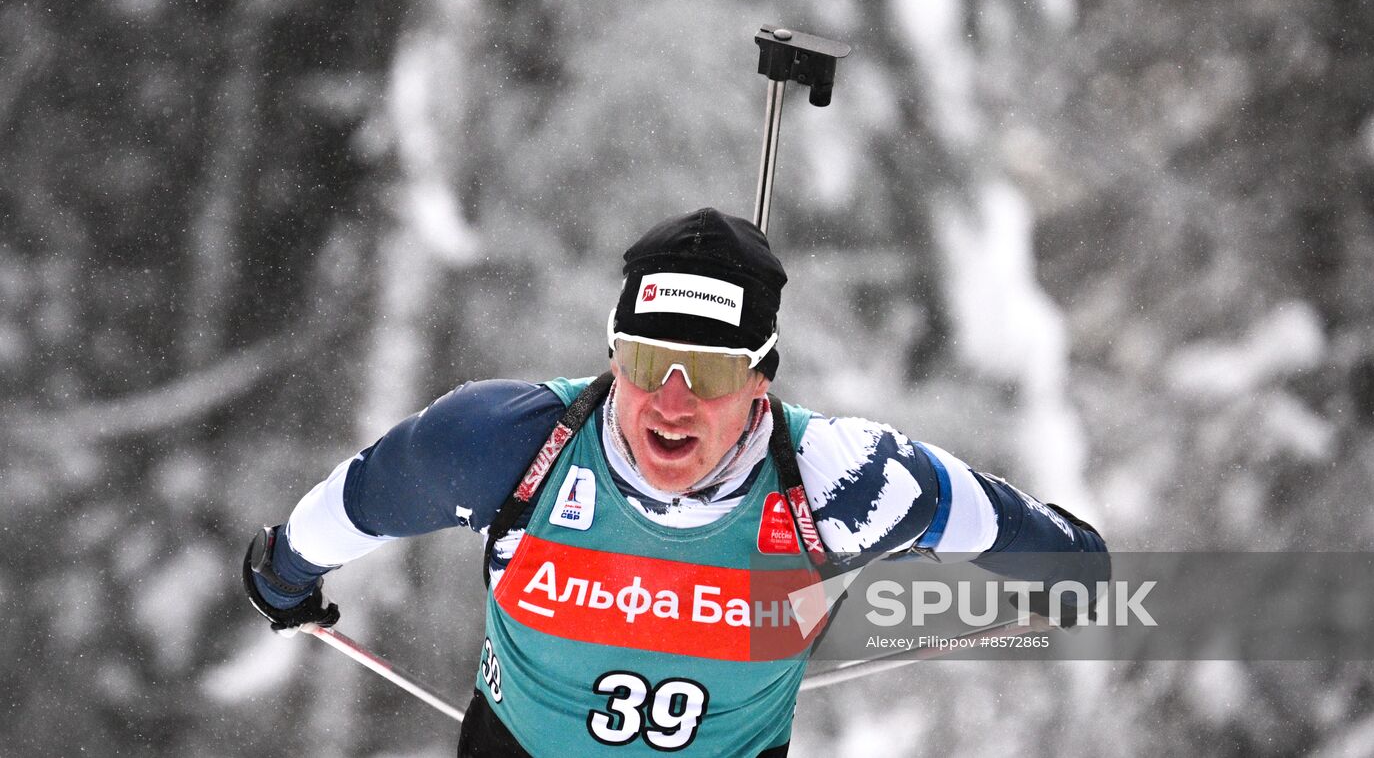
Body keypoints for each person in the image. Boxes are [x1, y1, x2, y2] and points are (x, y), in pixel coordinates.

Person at [242, 207, 1109, 757]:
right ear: (613, 354)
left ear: (763, 379)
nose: (673, 400)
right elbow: (358, 499)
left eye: (712, 370)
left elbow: (1004, 524)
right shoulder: (504, 446)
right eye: (651, 361)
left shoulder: (841, 484)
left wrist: (1069, 568)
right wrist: (282, 570)